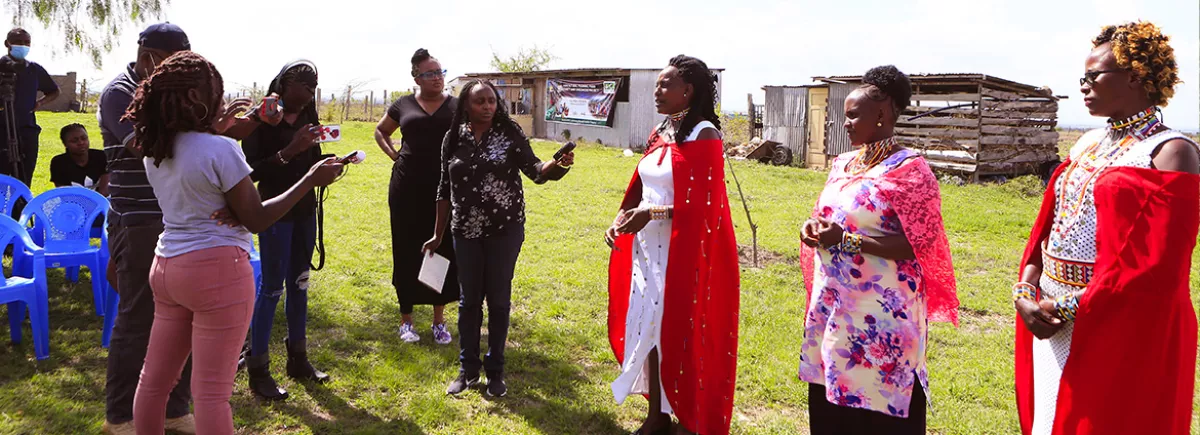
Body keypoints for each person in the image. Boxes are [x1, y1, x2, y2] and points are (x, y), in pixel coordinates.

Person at [127, 51, 342, 435]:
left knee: (154, 381)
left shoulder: (156, 147)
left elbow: (200, 178)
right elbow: (256, 217)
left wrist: (220, 131)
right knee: (210, 394)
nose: (224, 103)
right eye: (218, 94)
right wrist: (310, 178)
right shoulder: (220, 150)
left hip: (166, 266)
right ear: (198, 101)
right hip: (216, 270)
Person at [1013, 21, 1198, 435]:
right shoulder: (1087, 143)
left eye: (1093, 76)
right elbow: (1047, 226)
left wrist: (1064, 307)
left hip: (1122, 325)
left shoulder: (1171, 152)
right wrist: (1027, 290)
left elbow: (1159, 270)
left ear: (1135, 77)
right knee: (1051, 416)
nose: (1083, 85)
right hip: (1051, 317)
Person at [796, 65, 959, 435]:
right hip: (835, 309)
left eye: (853, 115)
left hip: (882, 319)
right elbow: (830, 217)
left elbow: (921, 244)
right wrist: (814, 228)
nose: (845, 123)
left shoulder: (911, 171)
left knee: (877, 410)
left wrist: (847, 241)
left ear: (882, 114)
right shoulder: (843, 164)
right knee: (832, 399)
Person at [604, 55, 739, 435]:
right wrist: (622, 217)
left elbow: (707, 206)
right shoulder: (661, 132)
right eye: (658, 84)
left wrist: (651, 215)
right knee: (647, 324)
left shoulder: (704, 135)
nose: (657, 91)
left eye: (665, 85)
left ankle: (689, 414)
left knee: (678, 327)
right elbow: (640, 185)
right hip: (648, 251)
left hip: (686, 252)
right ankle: (657, 414)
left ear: (688, 90)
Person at [423, 79, 573, 398]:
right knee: (468, 302)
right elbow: (443, 188)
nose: (488, 107)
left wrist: (558, 165)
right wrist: (437, 234)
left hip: (504, 230)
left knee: (499, 300)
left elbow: (535, 171)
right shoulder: (453, 138)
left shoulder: (509, 134)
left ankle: (495, 370)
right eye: (481, 102)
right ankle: (468, 370)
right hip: (465, 231)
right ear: (466, 105)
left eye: (492, 101)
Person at [98, 22, 195, 435]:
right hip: (137, 221)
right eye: (171, 63)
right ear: (149, 56)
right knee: (137, 318)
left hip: (180, 219)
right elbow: (145, 145)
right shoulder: (119, 92)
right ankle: (120, 416)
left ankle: (176, 409)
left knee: (184, 315)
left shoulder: (174, 95)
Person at [239, 59, 331, 401]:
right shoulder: (261, 119)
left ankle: (298, 359)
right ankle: (258, 369)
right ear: (284, 83)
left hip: (306, 212)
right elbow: (252, 172)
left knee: (300, 284)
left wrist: (328, 166)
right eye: (305, 86)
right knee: (272, 288)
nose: (310, 93)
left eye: (315, 86)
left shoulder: (309, 117)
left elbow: (312, 163)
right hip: (274, 214)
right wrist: (291, 151)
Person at [375, 48, 459, 344]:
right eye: (430, 73)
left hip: (445, 190)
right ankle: (406, 320)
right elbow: (381, 131)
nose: (437, 78)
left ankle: (439, 321)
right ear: (416, 77)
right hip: (406, 188)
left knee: (441, 250)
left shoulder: (457, 106)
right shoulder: (404, 104)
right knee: (407, 249)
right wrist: (395, 156)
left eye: (440, 72)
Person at [0, 28, 59, 185]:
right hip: (2, 130)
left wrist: (39, 103)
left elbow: (54, 91)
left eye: (27, 42)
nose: (23, 46)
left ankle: (21, 207)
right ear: (7, 44)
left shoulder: (34, 69)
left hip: (27, 130)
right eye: (19, 42)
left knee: (24, 178)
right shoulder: (1, 66)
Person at [50, 123, 109, 195]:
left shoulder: (101, 156)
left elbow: (104, 191)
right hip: (73, 203)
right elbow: (64, 194)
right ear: (65, 144)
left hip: (102, 202)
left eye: (84, 138)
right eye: (74, 141)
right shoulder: (59, 163)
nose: (81, 143)